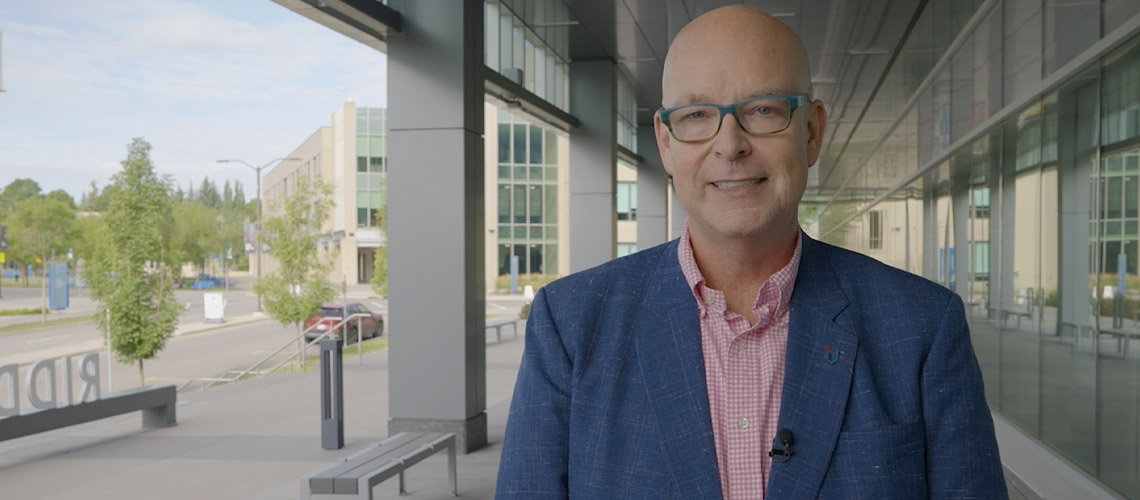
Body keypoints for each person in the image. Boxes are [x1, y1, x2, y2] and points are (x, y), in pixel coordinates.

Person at [495, 6, 1006, 499]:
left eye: (763, 110)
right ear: (666, 143)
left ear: (811, 132)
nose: (730, 145)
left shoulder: (921, 327)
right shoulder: (572, 324)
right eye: (697, 115)